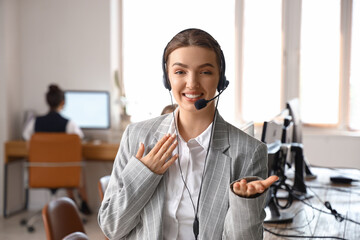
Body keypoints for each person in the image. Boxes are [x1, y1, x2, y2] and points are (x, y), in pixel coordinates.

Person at [98, 28, 278, 239]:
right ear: (168, 78)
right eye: (180, 72)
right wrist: (145, 174)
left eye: (205, 72)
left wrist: (244, 203)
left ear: (221, 80)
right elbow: (111, 227)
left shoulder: (248, 151)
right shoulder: (137, 137)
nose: (192, 83)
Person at [22, 84, 91, 215]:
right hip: (64, 174)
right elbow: (78, 142)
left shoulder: (34, 123)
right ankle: (83, 204)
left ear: (47, 102)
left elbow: (27, 142)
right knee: (76, 164)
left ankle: (73, 203)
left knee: (69, 164)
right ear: (63, 102)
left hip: (40, 174)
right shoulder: (69, 124)